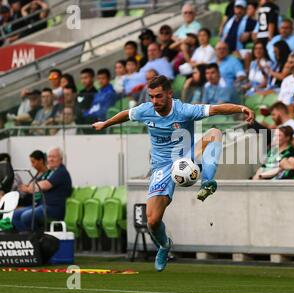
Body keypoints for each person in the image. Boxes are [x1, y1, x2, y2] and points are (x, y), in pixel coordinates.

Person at [91, 75, 255, 272]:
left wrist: (241, 108)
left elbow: (216, 109)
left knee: (214, 133)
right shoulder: (146, 110)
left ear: (169, 93)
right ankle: (164, 245)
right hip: (161, 167)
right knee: (152, 220)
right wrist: (104, 124)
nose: (154, 101)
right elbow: (126, 114)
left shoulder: (184, 110)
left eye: (158, 96)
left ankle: (208, 182)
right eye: (151, 97)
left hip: (186, 156)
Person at [12, 147, 72, 232]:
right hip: (42, 206)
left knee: (26, 216)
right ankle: (27, 238)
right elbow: (39, 183)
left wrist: (30, 187)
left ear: (61, 159)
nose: (50, 159)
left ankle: (37, 239)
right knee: (14, 215)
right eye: (49, 156)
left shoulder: (61, 172)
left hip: (54, 208)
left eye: (54, 157)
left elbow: (44, 185)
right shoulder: (52, 171)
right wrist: (32, 186)